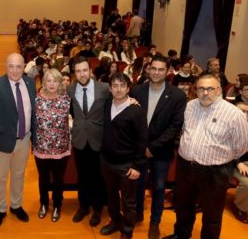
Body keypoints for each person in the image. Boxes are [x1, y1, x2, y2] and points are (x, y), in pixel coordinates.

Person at [163, 73, 248, 239]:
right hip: (186, 167)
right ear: (196, 90)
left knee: (212, 214)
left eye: (210, 88)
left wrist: (221, 157)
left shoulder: (233, 114)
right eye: (201, 88)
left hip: (215, 172)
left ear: (219, 90)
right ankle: (181, 235)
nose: (205, 93)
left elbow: (242, 146)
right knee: (183, 206)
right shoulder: (190, 106)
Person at [130, 55, 186, 239]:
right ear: (148, 69)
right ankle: (137, 214)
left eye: (161, 69)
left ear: (168, 71)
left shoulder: (177, 95)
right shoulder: (137, 90)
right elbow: (131, 120)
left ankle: (155, 222)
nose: (156, 72)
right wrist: (141, 146)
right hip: (138, 149)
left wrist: (152, 147)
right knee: (137, 184)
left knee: (159, 187)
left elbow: (175, 126)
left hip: (161, 151)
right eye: (153, 68)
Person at [0, 53, 36, 229]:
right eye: (11, 66)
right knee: (0, 178)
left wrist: (34, 138)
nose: (15, 70)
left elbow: (32, 112)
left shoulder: (30, 83)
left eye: (19, 66)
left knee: (19, 175)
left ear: (24, 67)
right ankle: (0, 209)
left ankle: (16, 205)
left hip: (24, 139)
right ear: (6, 66)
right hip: (1, 142)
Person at [100, 73, 148, 238]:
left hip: (127, 165)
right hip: (107, 161)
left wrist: (137, 166)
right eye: (115, 85)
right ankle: (115, 221)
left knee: (128, 202)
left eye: (122, 86)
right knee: (111, 195)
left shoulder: (136, 110)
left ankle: (127, 231)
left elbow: (142, 140)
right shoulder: (107, 104)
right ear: (110, 88)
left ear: (128, 88)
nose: (118, 89)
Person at [68, 56, 109, 227]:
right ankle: (83, 206)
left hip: (98, 139)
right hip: (79, 139)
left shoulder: (104, 88)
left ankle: (97, 209)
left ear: (91, 71)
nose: (82, 74)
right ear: (74, 73)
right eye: (78, 71)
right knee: (82, 175)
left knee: (98, 176)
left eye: (85, 70)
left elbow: (118, 103)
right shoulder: (70, 89)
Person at [34, 69, 71, 222]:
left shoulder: (67, 99)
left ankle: (57, 204)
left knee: (58, 179)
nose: (52, 84)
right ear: (43, 82)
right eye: (48, 80)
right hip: (41, 148)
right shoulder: (36, 99)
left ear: (60, 83)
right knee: (43, 178)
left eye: (55, 81)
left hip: (61, 148)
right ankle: (43, 203)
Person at [230, 102, 248, 224]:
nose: (244, 114)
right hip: (230, 163)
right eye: (241, 111)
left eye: (247, 111)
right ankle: (241, 208)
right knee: (247, 183)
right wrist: (238, 162)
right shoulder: (227, 126)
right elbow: (225, 149)